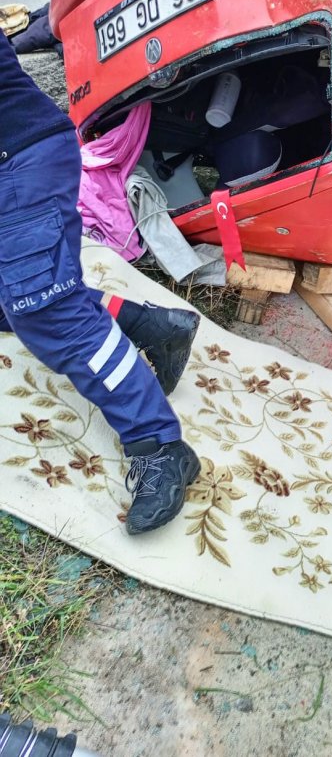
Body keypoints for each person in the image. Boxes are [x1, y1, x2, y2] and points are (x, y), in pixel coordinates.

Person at [0, 30, 201, 535]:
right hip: (26, 153)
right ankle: (152, 326)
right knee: (22, 298)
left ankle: (158, 445)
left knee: (51, 316)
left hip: (17, 166)